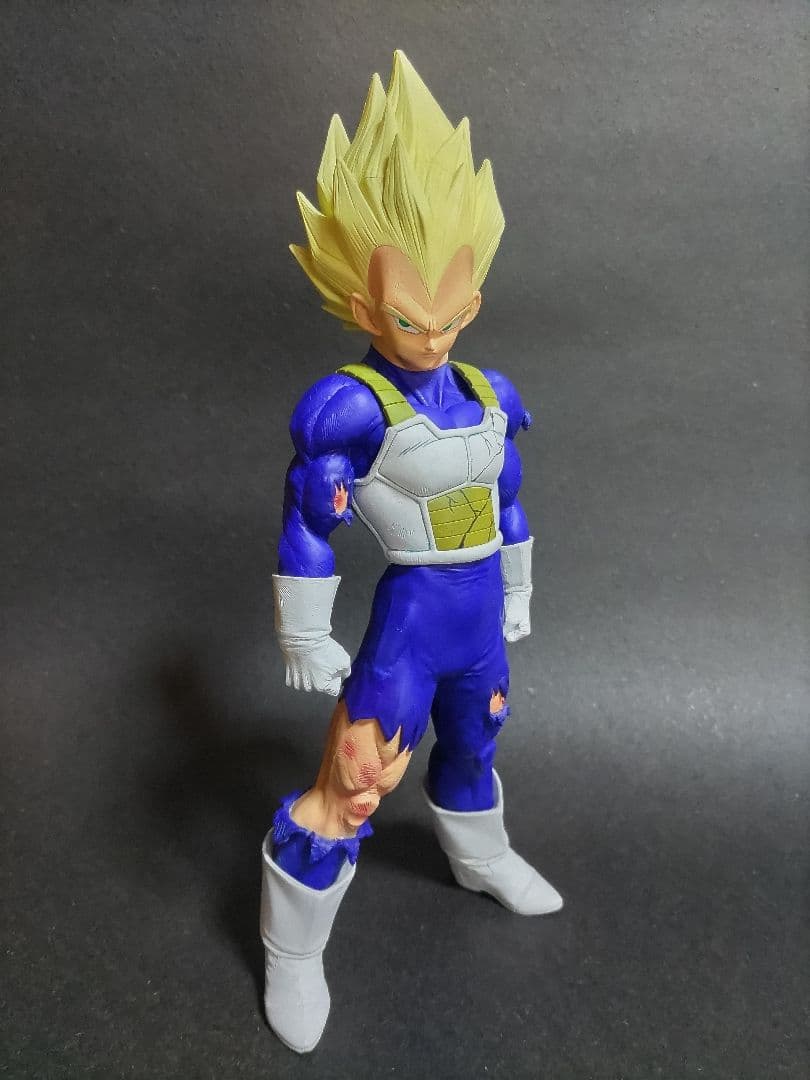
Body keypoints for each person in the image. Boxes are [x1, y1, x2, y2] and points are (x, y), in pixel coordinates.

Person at [261, 50, 562, 1054]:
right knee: (354, 781)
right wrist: (305, 633)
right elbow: (309, 519)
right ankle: (294, 948)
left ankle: (479, 858)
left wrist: (518, 589)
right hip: (411, 625)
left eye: (453, 313)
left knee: (477, 744)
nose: (433, 337)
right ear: (360, 304)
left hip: (478, 622)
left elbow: (509, 500)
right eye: (408, 317)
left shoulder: (489, 394)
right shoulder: (349, 407)